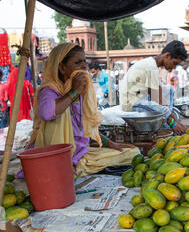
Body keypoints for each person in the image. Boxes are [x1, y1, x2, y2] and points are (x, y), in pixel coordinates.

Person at [26, 44, 139, 177]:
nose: (84, 66)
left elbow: (84, 127)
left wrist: (110, 143)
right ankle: (63, 166)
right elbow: (47, 113)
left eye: (85, 61)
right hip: (55, 156)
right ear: (62, 68)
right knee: (60, 114)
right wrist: (74, 92)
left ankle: (75, 167)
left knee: (133, 153)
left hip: (80, 153)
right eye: (78, 63)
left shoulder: (79, 90)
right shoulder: (50, 90)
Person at [119, 40, 188, 135]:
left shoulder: (152, 65)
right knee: (165, 111)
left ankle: (173, 126)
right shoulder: (150, 67)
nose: (174, 67)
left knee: (169, 90)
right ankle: (171, 131)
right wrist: (173, 123)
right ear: (167, 56)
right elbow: (157, 99)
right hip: (132, 105)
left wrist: (175, 119)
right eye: (174, 63)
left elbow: (159, 96)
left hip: (141, 102)